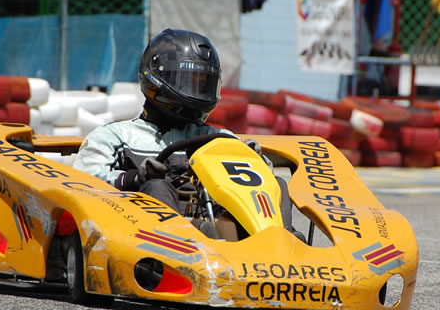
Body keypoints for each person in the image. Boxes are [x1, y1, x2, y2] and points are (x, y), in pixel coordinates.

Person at [73, 28, 299, 237]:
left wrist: (254, 161)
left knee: (277, 184)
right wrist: (135, 178)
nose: (196, 92)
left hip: (222, 224)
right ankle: (189, 238)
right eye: (187, 82)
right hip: (145, 239)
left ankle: (282, 244)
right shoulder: (117, 136)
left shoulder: (222, 138)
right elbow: (82, 182)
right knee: (157, 186)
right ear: (155, 79)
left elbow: (260, 183)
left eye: (203, 84)